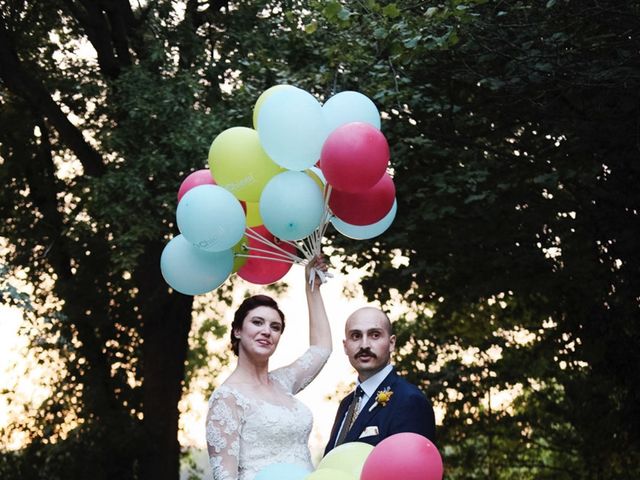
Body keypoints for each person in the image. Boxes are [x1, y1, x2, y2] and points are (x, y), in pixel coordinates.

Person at [206, 257, 331, 480]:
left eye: (275, 327)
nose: (267, 331)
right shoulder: (227, 398)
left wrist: (312, 287)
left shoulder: (284, 382)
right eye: (257, 322)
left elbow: (321, 348)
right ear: (237, 331)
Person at [324, 306, 435, 454]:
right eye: (356, 336)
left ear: (392, 343)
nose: (364, 345)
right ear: (345, 346)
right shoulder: (347, 403)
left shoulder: (409, 400)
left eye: (375, 335)